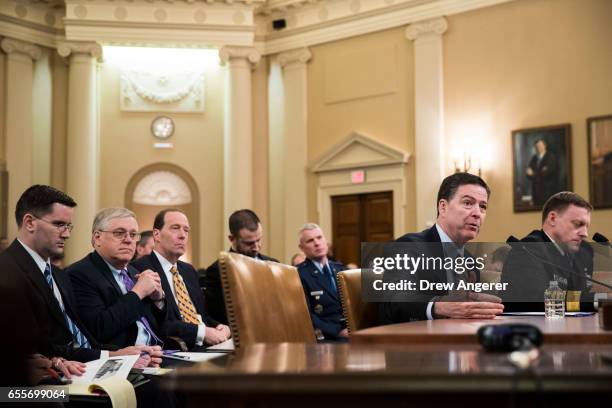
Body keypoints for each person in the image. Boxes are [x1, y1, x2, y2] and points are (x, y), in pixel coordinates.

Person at [0, 186, 162, 381]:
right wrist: (110, 356)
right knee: (154, 390)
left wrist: (127, 353)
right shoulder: (7, 271)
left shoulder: (58, 275)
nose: (67, 234)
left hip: (80, 367)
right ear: (29, 222)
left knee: (163, 384)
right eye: (59, 224)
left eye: (68, 226)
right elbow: (38, 347)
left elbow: (81, 338)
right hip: (24, 389)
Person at [379, 172, 504, 324]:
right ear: (443, 207)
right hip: (413, 342)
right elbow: (395, 300)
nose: (477, 213)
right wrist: (438, 307)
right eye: (468, 203)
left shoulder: (470, 261)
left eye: (483, 206)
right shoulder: (409, 247)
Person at [68, 207, 167, 348]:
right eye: (119, 233)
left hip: (157, 354)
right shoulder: (79, 274)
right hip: (120, 361)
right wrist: (138, 293)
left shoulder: (135, 272)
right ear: (97, 238)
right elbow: (98, 330)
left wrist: (158, 300)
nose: (128, 240)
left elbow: (160, 326)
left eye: (133, 235)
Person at [132, 209, 231, 349]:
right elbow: (156, 322)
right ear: (156, 234)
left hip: (206, 347)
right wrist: (202, 333)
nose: (182, 235)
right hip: (175, 350)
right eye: (175, 228)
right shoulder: (140, 269)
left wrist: (219, 326)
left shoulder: (188, 270)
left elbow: (201, 315)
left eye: (186, 230)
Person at [500, 192, 602, 311]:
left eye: (586, 227)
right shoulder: (527, 249)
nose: (585, 234)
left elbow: (580, 294)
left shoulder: (581, 253)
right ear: (553, 219)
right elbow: (539, 299)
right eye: (578, 224)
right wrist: (599, 299)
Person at [203, 209, 278, 324]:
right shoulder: (217, 270)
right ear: (232, 239)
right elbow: (218, 315)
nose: (256, 247)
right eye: (249, 243)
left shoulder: (273, 264)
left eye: (259, 240)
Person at [297, 223, 347, 341]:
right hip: (326, 337)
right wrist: (337, 331)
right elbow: (305, 314)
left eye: (319, 238)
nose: (317, 243)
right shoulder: (299, 274)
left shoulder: (341, 269)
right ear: (301, 248)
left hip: (352, 333)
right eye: (310, 241)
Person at [526, 138, 558, 206]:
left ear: (544, 146)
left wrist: (533, 174)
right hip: (535, 192)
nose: (539, 148)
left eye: (540, 146)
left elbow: (547, 173)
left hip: (546, 191)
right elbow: (528, 174)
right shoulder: (534, 158)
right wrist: (539, 172)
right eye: (537, 147)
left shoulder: (550, 156)